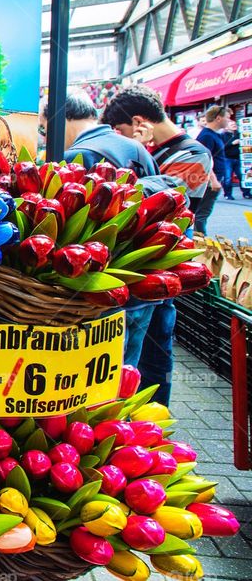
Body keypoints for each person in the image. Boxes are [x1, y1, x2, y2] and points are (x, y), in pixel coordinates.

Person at [103, 85, 213, 406]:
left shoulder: (194, 153)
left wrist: (137, 157)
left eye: (121, 132)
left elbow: (165, 196)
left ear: (139, 122)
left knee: (156, 351)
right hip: (136, 266)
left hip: (163, 268)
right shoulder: (146, 150)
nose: (120, 140)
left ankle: (155, 417)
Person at [41, 89, 159, 370]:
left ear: (63, 119)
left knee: (99, 375)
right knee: (130, 369)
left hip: (100, 294)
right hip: (142, 284)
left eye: (46, 129)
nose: (46, 137)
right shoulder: (135, 147)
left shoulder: (77, 156)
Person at [195, 106, 229, 228]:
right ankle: (199, 239)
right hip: (207, 182)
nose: (228, 120)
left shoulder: (214, 135)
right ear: (218, 118)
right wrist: (213, 180)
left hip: (213, 179)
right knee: (202, 213)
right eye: (227, 117)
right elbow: (204, 160)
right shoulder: (207, 136)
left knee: (203, 212)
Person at [221, 108, 250, 199]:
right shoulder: (223, 135)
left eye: (234, 124)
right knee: (228, 177)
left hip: (240, 158)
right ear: (226, 127)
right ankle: (228, 194)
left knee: (243, 176)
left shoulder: (240, 134)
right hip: (227, 158)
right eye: (231, 124)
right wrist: (232, 143)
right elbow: (221, 147)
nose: (234, 126)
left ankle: (246, 193)